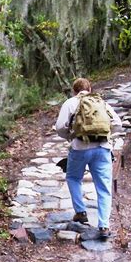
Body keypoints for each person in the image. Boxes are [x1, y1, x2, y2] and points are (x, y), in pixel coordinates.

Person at [55, 78, 122, 238]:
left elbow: (59, 128)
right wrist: (106, 134)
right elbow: (117, 123)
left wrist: (70, 137)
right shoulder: (100, 102)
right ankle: (104, 226)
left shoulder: (70, 103)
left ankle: (81, 211)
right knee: (104, 187)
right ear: (90, 89)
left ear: (74, 91)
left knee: (73, 178)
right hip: (102, 148)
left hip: (79, 148)